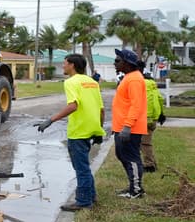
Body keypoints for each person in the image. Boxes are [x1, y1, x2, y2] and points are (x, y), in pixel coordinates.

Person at [34, 54, 105, 211]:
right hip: (91, 128)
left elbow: (73, 106)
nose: (63, 66)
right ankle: (91, 196)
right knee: (84, 166)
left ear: (72, 65)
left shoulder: (71, 82)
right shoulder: (92, 82)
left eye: (65, 64)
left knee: (81, 168)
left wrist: (50, 120)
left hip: (78, 131)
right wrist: (99, 130)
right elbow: (101, 108)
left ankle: (83, 201)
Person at [112, 48, 148, 198]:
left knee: (131, 158)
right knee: (122, 155)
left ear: (127, 63)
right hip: (122, 126)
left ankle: (136, 191)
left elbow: (136, 105)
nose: (114, 63)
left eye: (117, 60)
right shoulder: (129, 77)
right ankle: (133, 185)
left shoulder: (134, 79)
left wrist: (127, 126)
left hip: (130, 128)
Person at [137, 61, 167, 173]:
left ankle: (149, 166)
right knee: (145, 142)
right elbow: (159, 98)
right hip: (153, 118)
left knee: (144, 143)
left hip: (144, 118)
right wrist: (161, 114)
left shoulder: (139, 83)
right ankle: (152, 163)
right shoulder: (151, 82)